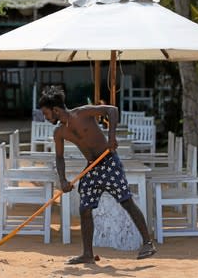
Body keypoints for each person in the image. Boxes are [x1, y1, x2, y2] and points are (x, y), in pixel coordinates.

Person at [38, 86, 157, 264]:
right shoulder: (59, 132)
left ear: (55, 110)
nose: (46, 118)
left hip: (109, 162)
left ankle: (148, 243)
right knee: (85, 209)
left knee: (126, 201)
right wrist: (62, 180)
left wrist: (111, 136)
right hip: (91, 168)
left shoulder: (83, 113)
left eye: (46, 114)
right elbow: (59, 157)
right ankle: (87, 254)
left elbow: (112, 110)